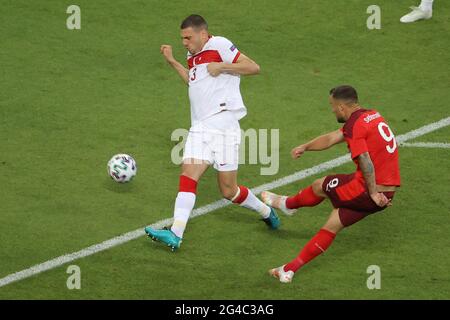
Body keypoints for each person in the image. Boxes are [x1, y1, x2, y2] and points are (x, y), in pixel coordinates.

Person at [145, 14, 280, 251]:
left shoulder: (219, 45)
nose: (184, 42)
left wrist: (223, 66)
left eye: (188, 38)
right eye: (182, 38)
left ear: (203, 34)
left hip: (223, 123)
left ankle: (266, 211)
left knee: (229, 191)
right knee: (188, 175)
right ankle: (175, 233)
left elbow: (253, 67)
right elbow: (194, 82)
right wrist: (173, 62)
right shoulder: (191, 56)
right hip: (200, 126)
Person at [262, 85, 401, 283]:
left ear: (342, 107)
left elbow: (365, 159)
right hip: (385, 194)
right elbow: (331, 138)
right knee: (332, 224)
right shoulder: (371, 116)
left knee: (321, 185)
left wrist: (372, 192)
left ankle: (288, 205)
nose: (332, 110)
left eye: (333, 106)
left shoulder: (356, 126)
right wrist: (306, 146)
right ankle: (288, 270)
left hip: (368, 190)